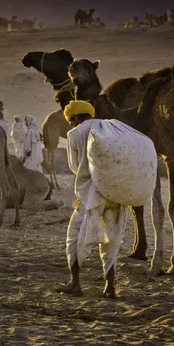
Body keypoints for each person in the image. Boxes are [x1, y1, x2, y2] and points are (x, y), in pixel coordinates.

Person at [59, 100, 128, 298]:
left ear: (76, 118)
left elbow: (75, 166)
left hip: (90, 196)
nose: (72, 125)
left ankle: (75, 283)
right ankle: (111, 287)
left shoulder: (74, 134)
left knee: (74, 239)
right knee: (112, 242)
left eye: (72, 121)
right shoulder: (110, 129)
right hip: (116, 194)